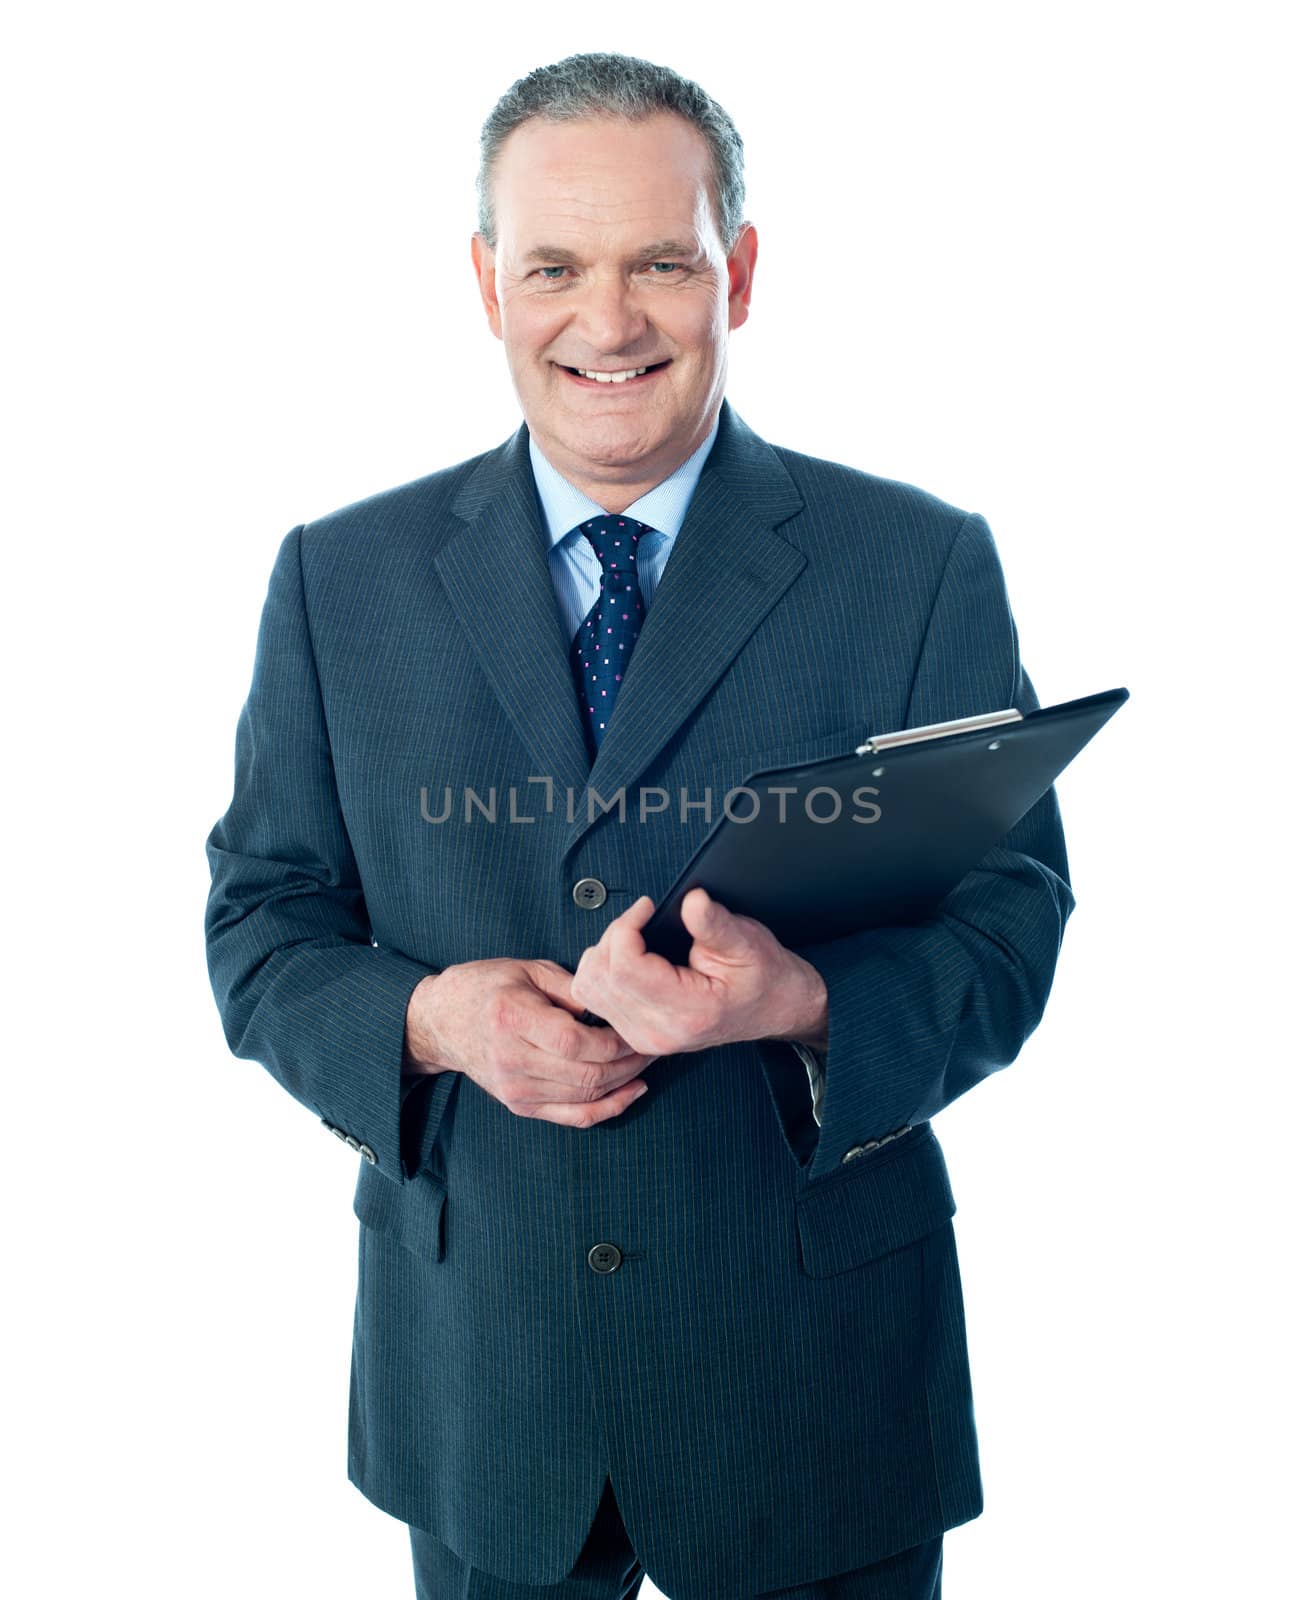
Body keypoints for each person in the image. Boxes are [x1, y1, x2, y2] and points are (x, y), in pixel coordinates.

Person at [204, 50, 1073, 1600]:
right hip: (487, 1387)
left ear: (734, 270)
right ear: (486, 283)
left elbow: (1005, 925)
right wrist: (429, 1020)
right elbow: (260, 920)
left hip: (812, 1384)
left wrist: (801, 1001)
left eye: (660, 263)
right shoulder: (340, 580)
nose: (606, 325)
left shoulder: (916, 563)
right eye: (554, 267)